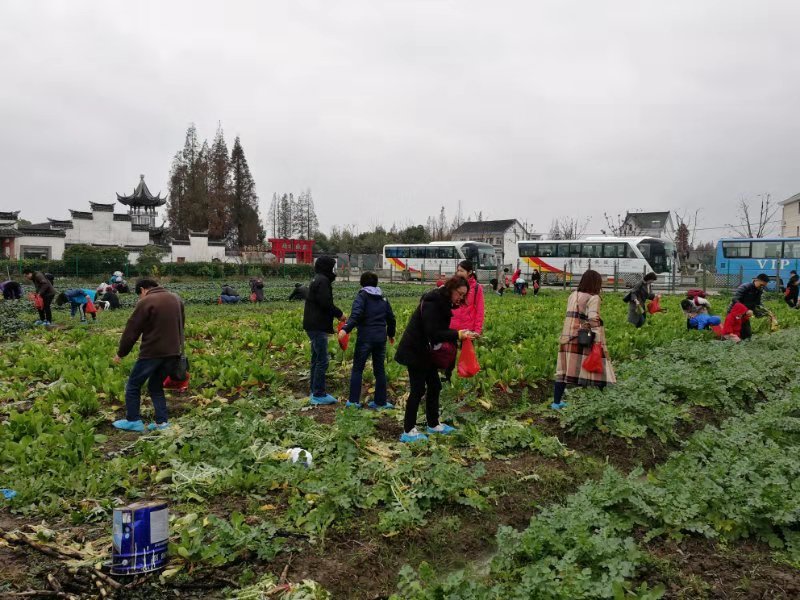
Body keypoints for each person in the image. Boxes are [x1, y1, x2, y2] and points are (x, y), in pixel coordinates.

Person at [395, 277, 478, 442]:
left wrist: (462, 333)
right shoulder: (433, 301)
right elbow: (433, 332)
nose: (460, 298)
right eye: (459, 293)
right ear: (451, 289)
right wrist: (458, 334)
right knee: (418, 389)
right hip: (415, 351)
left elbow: (439, 330)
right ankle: (408, 430)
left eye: (463, 295)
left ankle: (433, 424)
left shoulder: (443, 301)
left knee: (435, 385)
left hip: (427, 352)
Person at [112, 279, 185, 432]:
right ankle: (162, 423)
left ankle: (133, 421)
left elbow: (132, 330)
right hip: (173, 352)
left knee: (133, 385)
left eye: (139, 295)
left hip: (152, 352)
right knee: (155, 386)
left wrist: (121, 353)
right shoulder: (176, 298)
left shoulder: (147, 301)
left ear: (143, 289)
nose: (140, 298)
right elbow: (181, 324)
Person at [553, 269, 616, 409]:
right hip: (582, 338)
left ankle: (556, 403)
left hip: (566, 337)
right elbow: (593, 319)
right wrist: (598, 339)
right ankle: (604, 402)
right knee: (598, 367)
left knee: (563, 370)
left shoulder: (573, 295)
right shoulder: (594, 297)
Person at [339, 271, 397, 409]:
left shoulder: (362, 296)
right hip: (380, 338)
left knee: (358, 369)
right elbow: (391, 318)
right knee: (379, 369)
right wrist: (391, 334)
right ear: (376, 283)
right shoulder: (383, 298)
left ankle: (353, 402)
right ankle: (381, 402)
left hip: (365, 337)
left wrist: (345, 329)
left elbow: (356, 314)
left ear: (362, 283)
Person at [303, 256, 346, 405]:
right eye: (332, 267)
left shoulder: (317, 279)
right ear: (327, 267)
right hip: (317, 326)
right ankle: (318, 394)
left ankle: (314, 390)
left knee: (316, 359)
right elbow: (325, 303)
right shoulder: (323, 281)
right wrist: (339, 314)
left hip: (312, 324)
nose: (333, 270)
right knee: (322, 360)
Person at [446, 259, 485, 380]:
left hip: (468, 329)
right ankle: (448, 377)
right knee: (449, 355)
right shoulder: (452, 285)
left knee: (467, 355)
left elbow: (480, 310)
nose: (458, 273)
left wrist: (477, 330)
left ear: (469, 272)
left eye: (461, 270)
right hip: (452, 327)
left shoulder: (477, 288)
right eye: (457, 270)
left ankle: (466, 378)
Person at [729, 273, 772, 340]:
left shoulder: (759, 290)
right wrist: (745, 310)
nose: (762, 287)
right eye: (761, 285)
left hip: (745, 314)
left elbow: (757, 304)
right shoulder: (745, 287)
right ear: (757, 280)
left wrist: (765, 311)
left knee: (747, 334)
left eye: (764, 286)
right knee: (734, 333)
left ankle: (743, 343)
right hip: (734, 313)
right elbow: (735, 300)